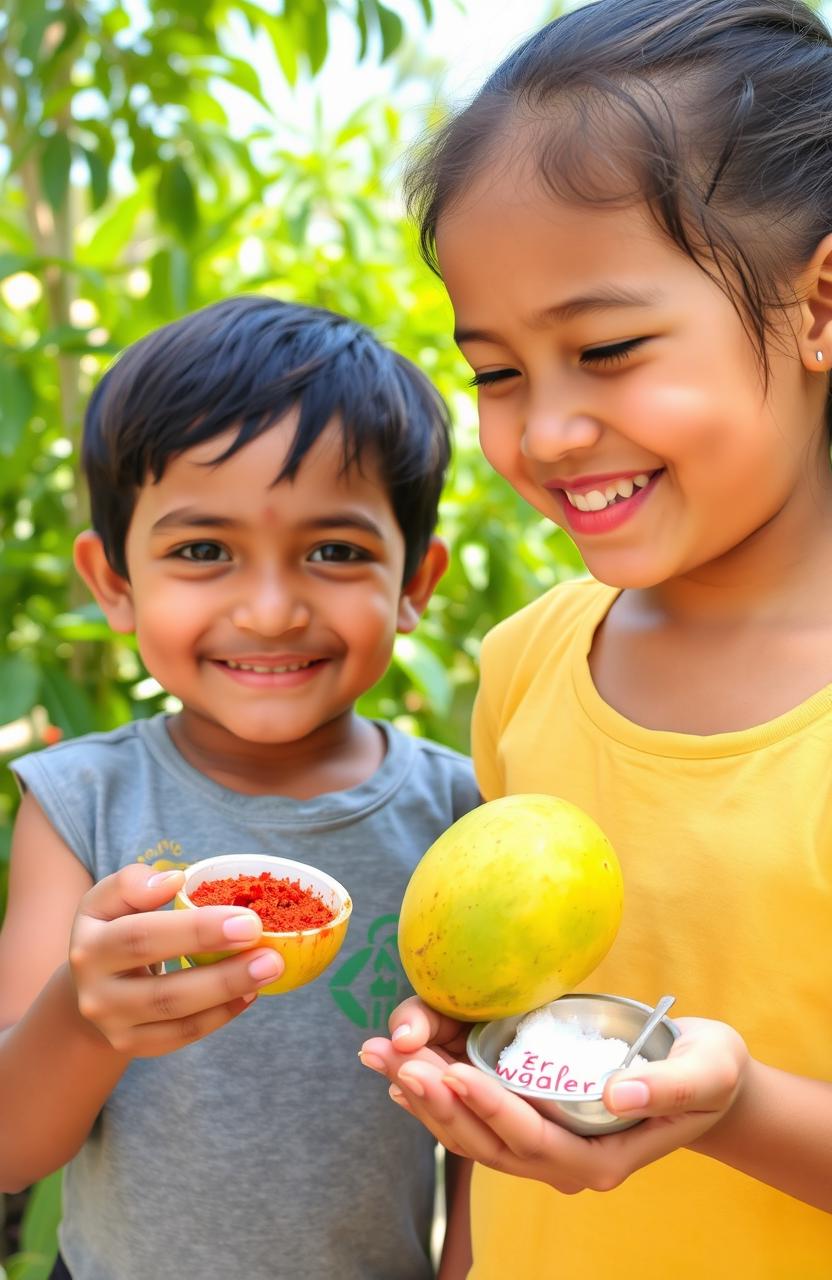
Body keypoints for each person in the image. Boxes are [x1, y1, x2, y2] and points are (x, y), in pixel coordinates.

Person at [358, 1, 832, 1275]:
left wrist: (732, 1109)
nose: (547, 431)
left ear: (819, 309)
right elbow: (508, 1023)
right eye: (498, 371)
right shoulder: (525, 664)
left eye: (606, 349)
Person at [0, 295, 481, 1280]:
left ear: (414, 581)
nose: (268, 609)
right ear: (114, 581)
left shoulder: (458, 816)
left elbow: (481, 1119)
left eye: (336, 551)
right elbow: (11, 1142)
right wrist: (87, 1014)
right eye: (203, 549)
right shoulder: (77, 799)